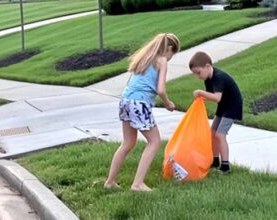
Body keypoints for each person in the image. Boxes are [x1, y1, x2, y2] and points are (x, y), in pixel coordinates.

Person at [104, 33, 180, 191]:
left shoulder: (145, 57)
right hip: (139, 104)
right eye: (173, 54)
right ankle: (138, 184)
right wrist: (168, 103)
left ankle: (110, 181)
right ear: (170, 49)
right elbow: (160, 89)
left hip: (125, 101)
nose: (171, 58)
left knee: (128, 143)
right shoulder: (162, 60)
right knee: (155, 141)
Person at [189, 51, 243, 174]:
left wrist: (201, 93)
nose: (198, 76)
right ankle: (215, 160)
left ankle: (225, 166)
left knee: (220, 134)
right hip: (224, 105)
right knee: (212, 132)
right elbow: (211, 96)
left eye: (198, 73)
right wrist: (201, 98)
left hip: (232, 106)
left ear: (208, 67)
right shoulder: (208, 79)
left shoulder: (218, 77)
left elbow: (216, 97)